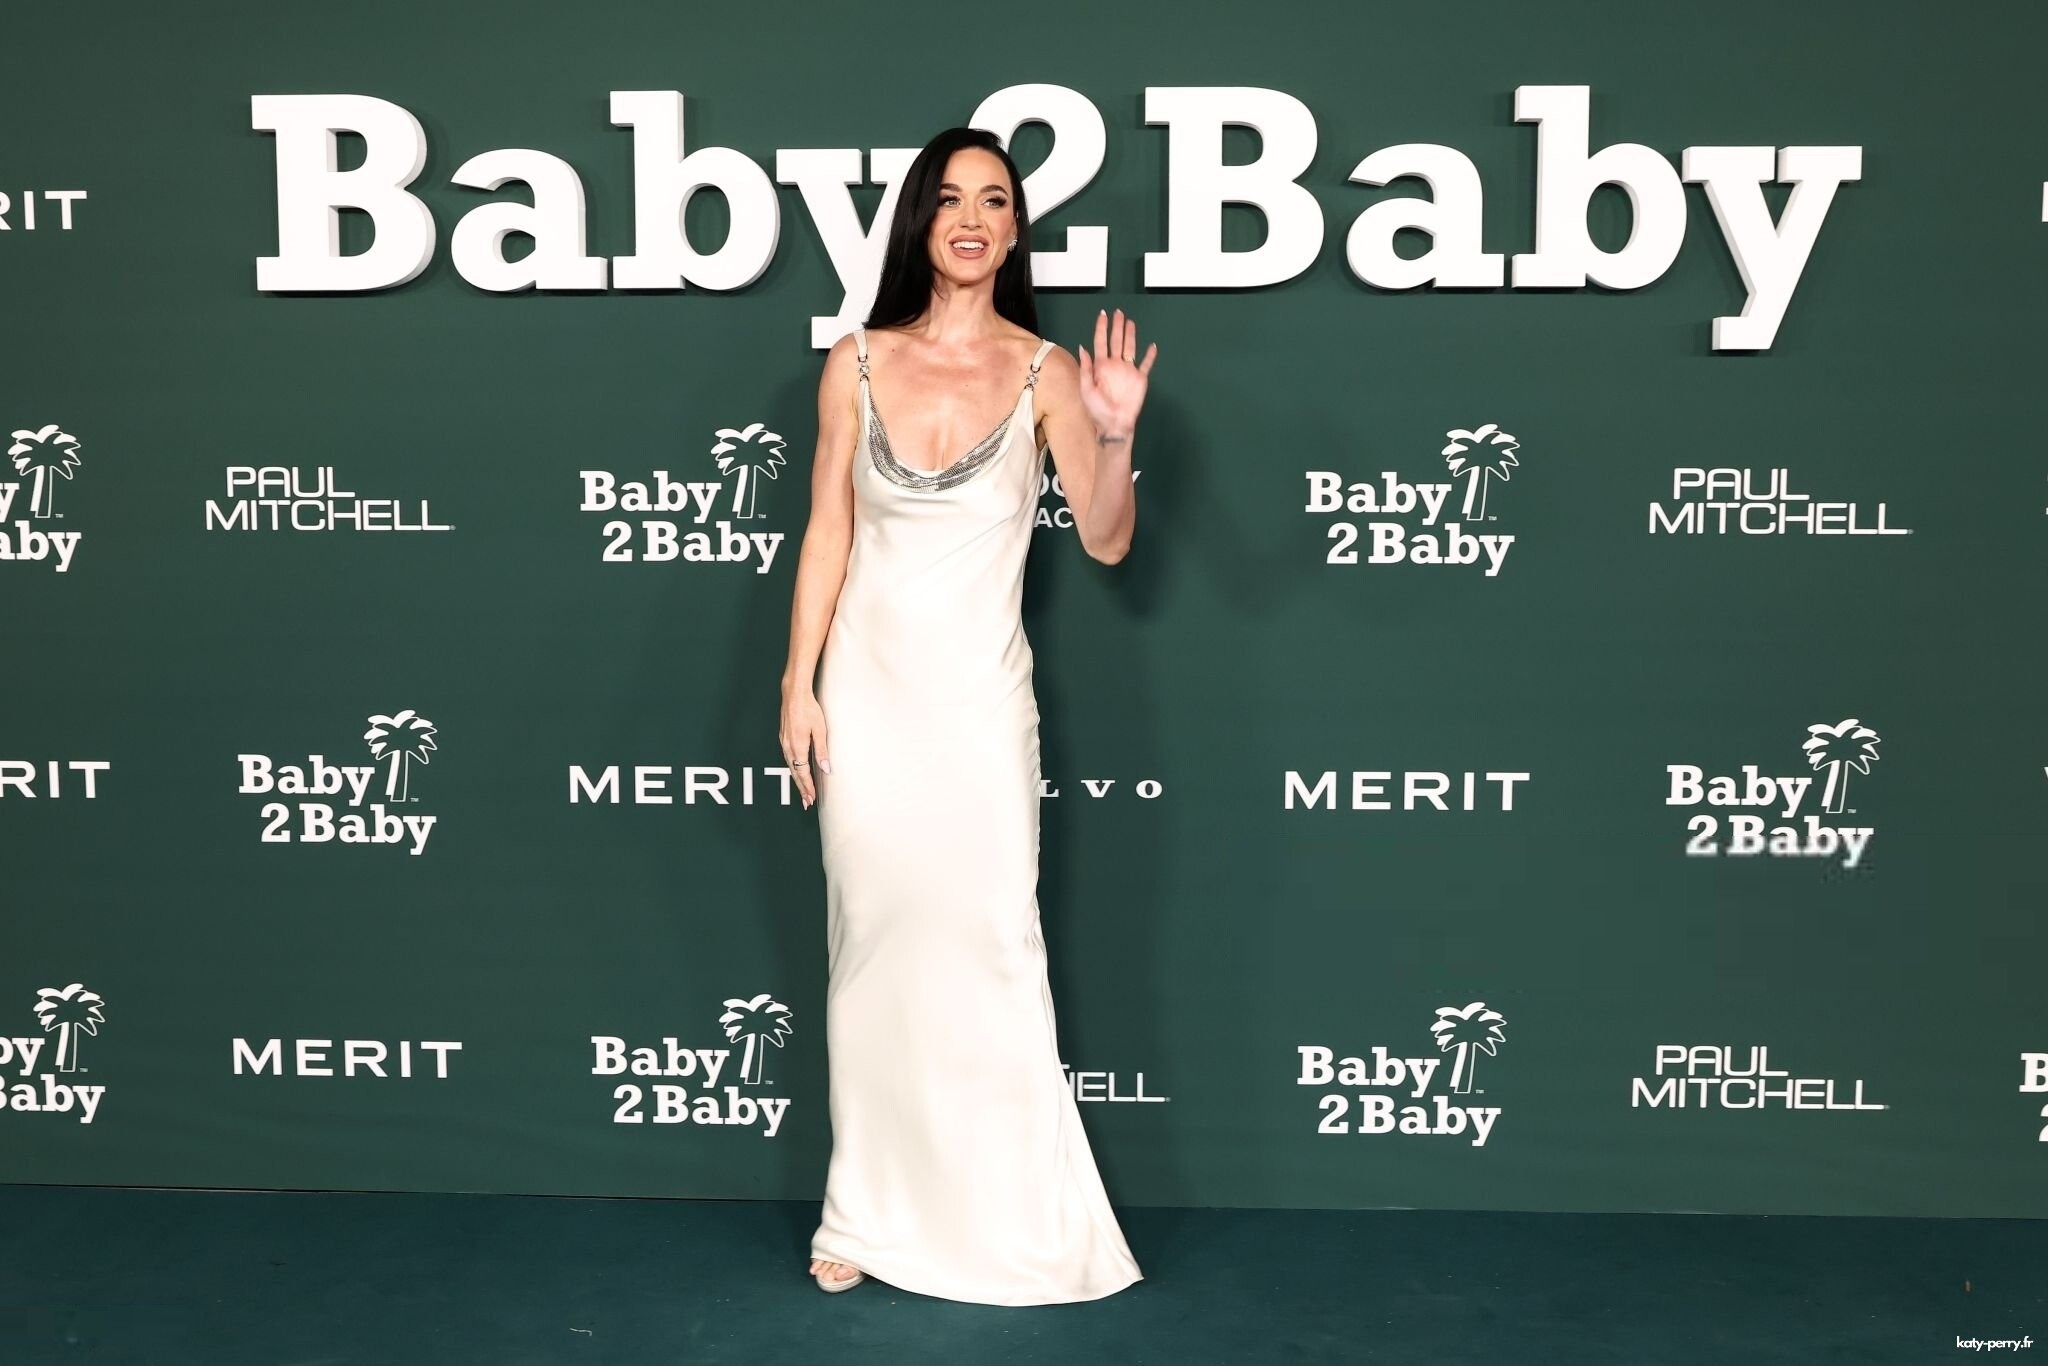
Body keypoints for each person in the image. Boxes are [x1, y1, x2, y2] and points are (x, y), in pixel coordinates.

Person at [777, 126, 1159, 1306]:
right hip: (867, 697)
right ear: (919, 219)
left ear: (1013, 228)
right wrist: (795, 683)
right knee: (872, 946)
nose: (971, 219)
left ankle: (1003, 1213)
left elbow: (1106, 540)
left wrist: (1114, 431)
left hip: (979, 706)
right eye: (949, 199)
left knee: (990, 944)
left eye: (994, 200)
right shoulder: (854, 361)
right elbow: (828, 530)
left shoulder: (1047, 371)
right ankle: (865, 1209)